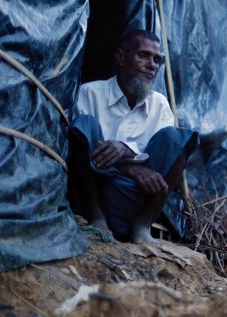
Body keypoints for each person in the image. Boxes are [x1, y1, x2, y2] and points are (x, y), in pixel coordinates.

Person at [68, 29, 199, 245]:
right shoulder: (89, 94)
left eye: (157, 60)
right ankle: (97, 217)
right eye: (143, 55)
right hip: (93, 195)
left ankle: (143, 225)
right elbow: (86, 150)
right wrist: (131, 167)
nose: (152, 65)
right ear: (121, 57)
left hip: (134, 199)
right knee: (84, 126)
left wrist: (126, 152)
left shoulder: (159, 105)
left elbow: (164, 157)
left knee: (179, 138)